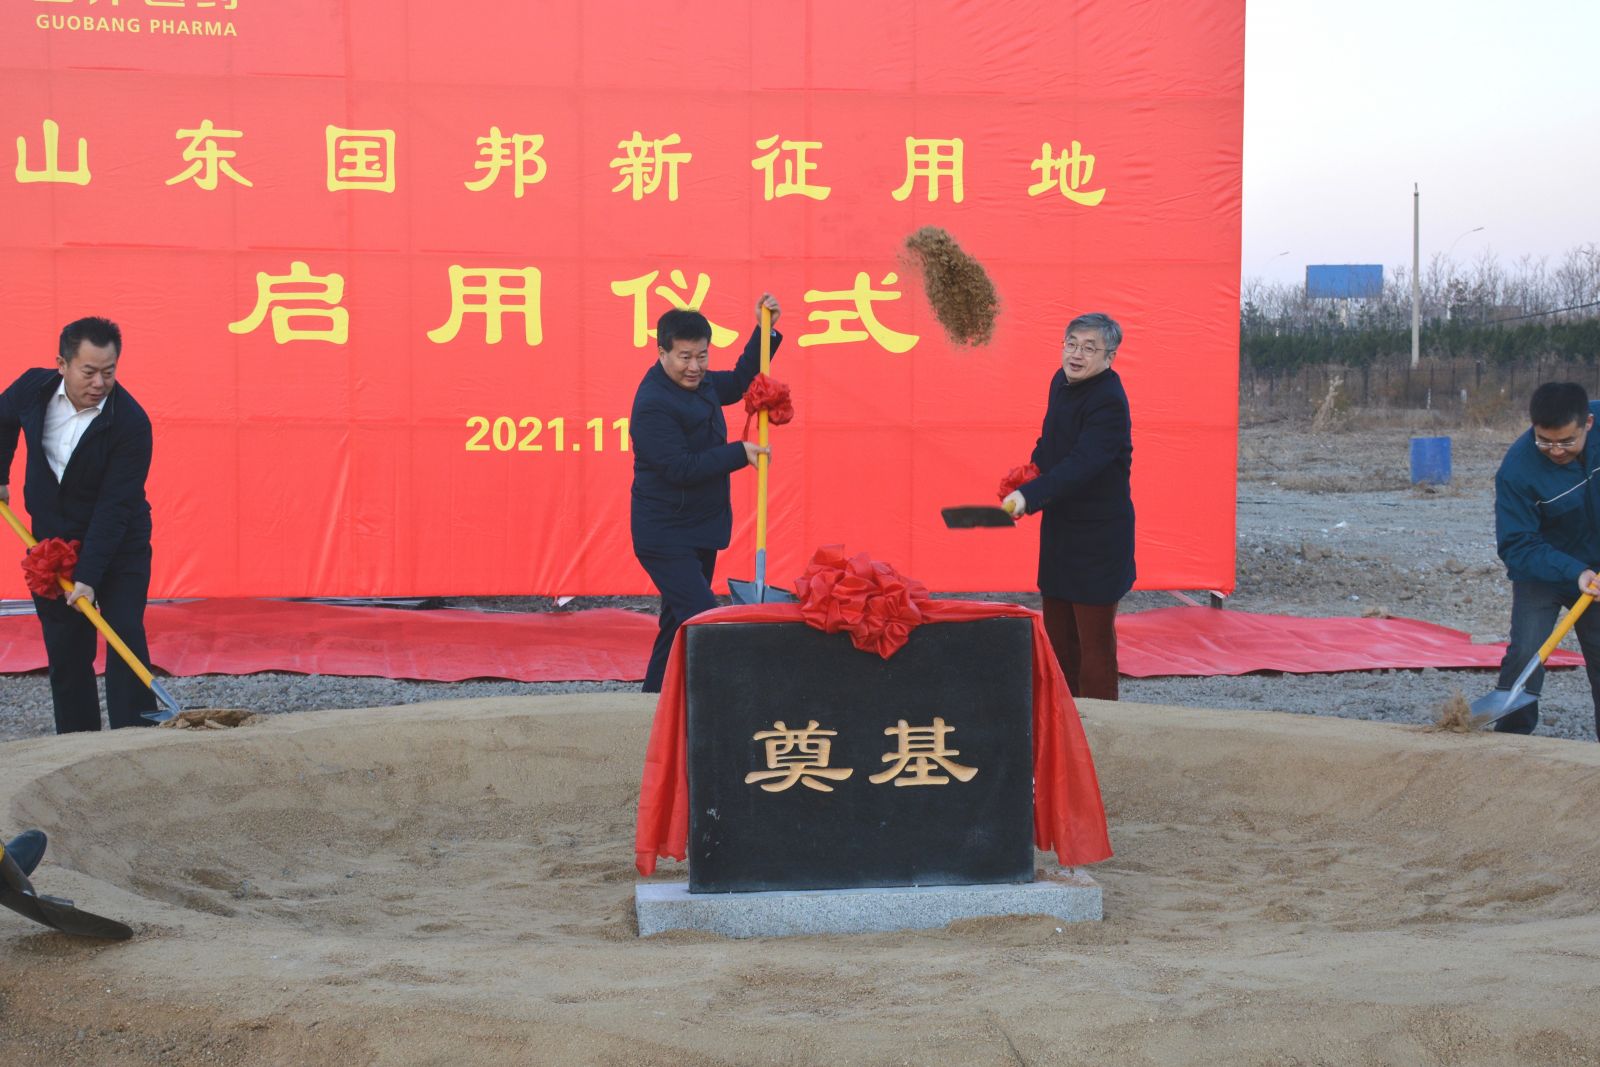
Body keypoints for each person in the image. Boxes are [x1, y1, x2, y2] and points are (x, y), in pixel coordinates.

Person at [0, 317, 156, 732]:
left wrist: (88, 576)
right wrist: (0, 474)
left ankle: (135, 738)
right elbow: (2, 418)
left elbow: (115, 507)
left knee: (124, 634)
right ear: (62, 365)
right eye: (89, 372)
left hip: (119, 544)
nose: (100, 383)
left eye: (109, 371)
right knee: (66, 648)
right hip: (51, 544)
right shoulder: (33, 389)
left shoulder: (131, 424)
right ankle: (78, 742)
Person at [630, 295, 782, 692]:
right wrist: (739, 453)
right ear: (662, 353)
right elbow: (679, 468)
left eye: (702, 356)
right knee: (703, 619)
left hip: (699, 527)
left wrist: (764, 329)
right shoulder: (652, 404)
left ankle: (651, 703)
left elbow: (740, 380)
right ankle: (730, 702)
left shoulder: (703, 382)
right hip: (664, 535)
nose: (695, 367)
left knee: (676, 623)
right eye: (685, 357)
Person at [1002, 312, 1135, 701]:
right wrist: (1028, 476)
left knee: (1094, 647)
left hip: (1098, 537)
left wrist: (1031, 496)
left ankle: (1101, 726)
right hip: (1061, 530)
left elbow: (1082, 464)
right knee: (1059, 637)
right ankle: (1064, 719)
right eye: (1071, 344)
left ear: (1109, 357)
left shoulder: (1109, 401)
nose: (1076, 354)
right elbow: (1052, 443)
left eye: (1089, 348)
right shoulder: (1060, 382)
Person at [1491, 381, 1600, 736]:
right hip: (1542, 570)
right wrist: (1575, 572)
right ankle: (1512, 741)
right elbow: (1516, 544)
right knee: (1526, 652)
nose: (1555, 450)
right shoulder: (1517, 470)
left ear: (1588, 423)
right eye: (1545, 441)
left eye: (1566, 441)